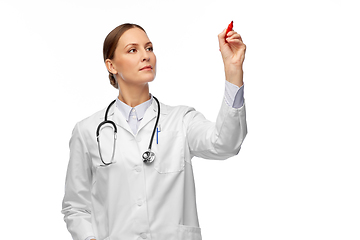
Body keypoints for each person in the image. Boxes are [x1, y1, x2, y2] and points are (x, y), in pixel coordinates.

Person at [61, 23, 247, 240]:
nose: (145, 56)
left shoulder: (181, 120)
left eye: (149, 48)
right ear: (111, 66)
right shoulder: (87, 131)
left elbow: (225, 144)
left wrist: (233, 71)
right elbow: (75, 206)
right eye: (133, 50)